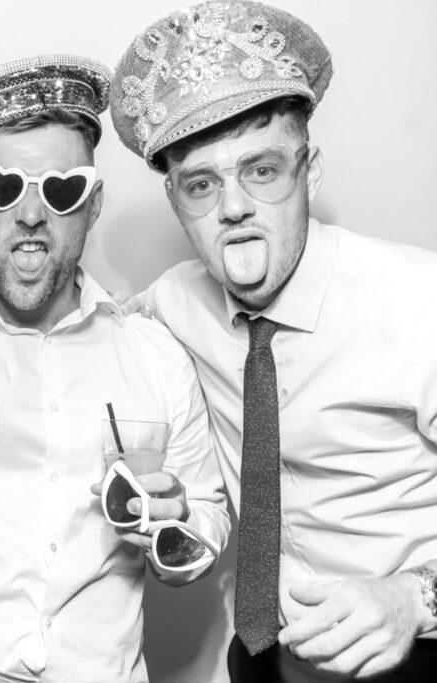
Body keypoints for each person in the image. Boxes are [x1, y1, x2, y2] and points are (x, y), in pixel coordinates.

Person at [0, 55, 230, 682]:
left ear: (93, 205)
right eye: (3, 187)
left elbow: (207, 523)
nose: (31, 215)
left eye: (61, 190)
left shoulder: (154, 355)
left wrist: (176, 527)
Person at [109, 2, 437, 680]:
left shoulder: (417, 303)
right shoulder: (173, 303)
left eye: (262, 170)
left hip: (413, 648)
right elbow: (83, 325)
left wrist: (415, 596)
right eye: (203, 183)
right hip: (259, 656)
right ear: (177, 202)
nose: (232, 206)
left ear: (309, 172)